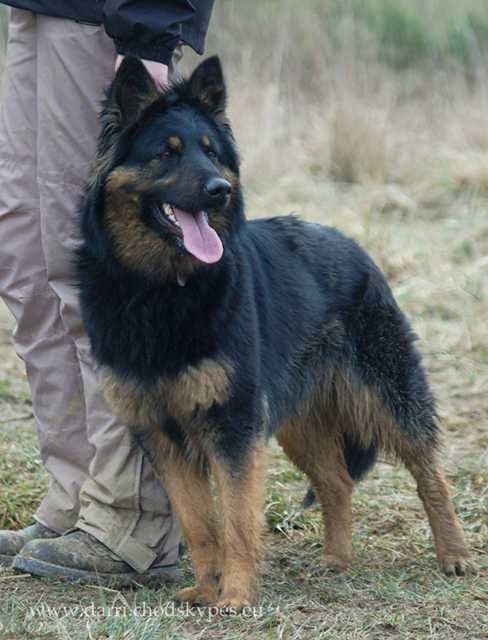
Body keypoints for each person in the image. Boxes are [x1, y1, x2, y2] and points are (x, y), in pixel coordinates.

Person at [0, 0, 214, 586]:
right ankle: (76, 497)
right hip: (38, 9)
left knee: (94, 262)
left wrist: (151, 32)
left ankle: (131, 517)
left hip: (108, 18)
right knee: (27, 261)